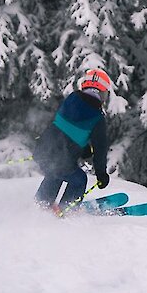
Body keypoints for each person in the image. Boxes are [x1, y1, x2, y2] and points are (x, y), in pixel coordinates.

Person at [34, 67, 112, 212]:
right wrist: (101, 174)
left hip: (42, 150)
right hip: (61, 159)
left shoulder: (72, 98)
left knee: (55, 173)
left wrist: (82, 148)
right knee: (79, 180)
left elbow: (67, 127)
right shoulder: (97, 117)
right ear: (101, 92)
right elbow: (100, 149)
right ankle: (65, 210)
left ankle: (41, 204)